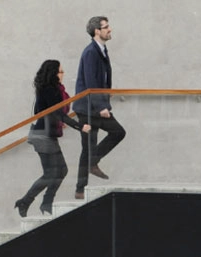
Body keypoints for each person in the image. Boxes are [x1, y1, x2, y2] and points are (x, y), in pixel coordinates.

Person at [15, 60, 92, 217]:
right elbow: (57, 112)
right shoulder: (49, 89)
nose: (62, 74)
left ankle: (42, 202)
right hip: (43, 136)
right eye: (60, 71)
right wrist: (79, 126)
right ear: (53, 73)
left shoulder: (51, 89)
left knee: (60, 171)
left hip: (46, 134)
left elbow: (41, 111)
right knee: (52, 173)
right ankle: (30, 201)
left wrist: (56, 120)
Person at [74, 16, 126, 199]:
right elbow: (90, 82)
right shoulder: (91, 52)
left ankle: (81, 187)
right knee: (118, 132)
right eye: (106, 27)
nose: (109, 30)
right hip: (88, 107)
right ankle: (89, 170)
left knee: (88, 148)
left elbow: (102, 78)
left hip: (93, 105)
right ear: (97, 31)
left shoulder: (101, 50)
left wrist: (107, 93)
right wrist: (102, 106)